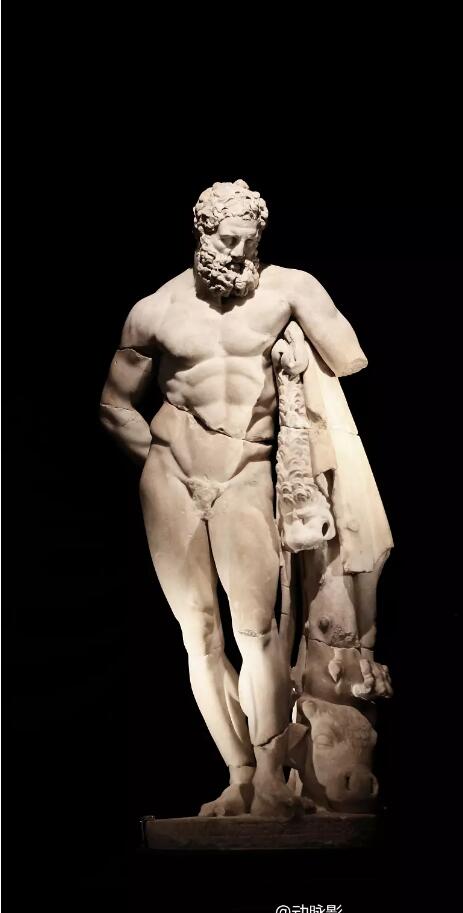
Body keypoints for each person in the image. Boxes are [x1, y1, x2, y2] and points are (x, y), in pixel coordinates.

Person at [100, 179, 368, 817]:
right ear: (201, 232)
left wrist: (301, 340)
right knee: (199, 633)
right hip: (170, 477)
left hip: (246, 470)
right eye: (228, 239)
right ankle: (239, 775)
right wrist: (160, 463)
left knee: (256, 629)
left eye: (251, 240)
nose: (241, 251)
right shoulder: (156, 310)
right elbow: (114, 406)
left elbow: (349, 359)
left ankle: (272, 775)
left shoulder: (287, 289)